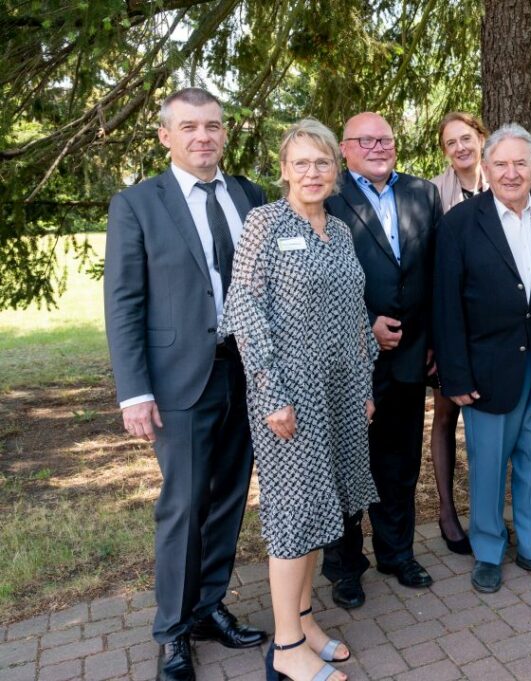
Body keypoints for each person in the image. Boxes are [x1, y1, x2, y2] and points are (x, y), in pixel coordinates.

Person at [104, 88, 267, 681]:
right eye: (191, 127)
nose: (204, 136)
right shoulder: (138, 204)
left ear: (225, 133)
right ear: (165, 136)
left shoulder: (249, 196)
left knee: (228, 498)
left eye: (214, 126)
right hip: (179, 382)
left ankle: (207, 607)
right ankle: (172, 634)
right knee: (183, 505)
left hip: (245, 373)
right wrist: (134, 391)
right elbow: (123, 302)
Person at [221, 119, 375, 681]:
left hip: (338, 392)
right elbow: (244, 307)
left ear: (337, 170)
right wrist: (269, 390)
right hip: (287, 395)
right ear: (283, 169)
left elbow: (357, 315)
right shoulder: (264, 223)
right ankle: (286, 648)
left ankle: (305, 621)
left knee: (321, 510)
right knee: (294, 513)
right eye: (301, 163)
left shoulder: (339, 230)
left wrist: (363, 385)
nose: (312, 173)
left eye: (322, 162)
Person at [433, 123, 531, 594]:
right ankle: (489, 549)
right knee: (489, 466)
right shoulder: (458, 222)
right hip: (487, 368)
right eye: (501, 164)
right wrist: (454, 374)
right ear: (486, 168)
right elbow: (447, 304)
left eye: (520, 163)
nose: (511, 173)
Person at [322, 113, 443, 608]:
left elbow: (435, 271)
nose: (377, 147)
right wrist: (364, 322)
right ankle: (345, 568)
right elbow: (320, 280)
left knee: (400, 462)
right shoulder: (326, 198)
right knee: (348, 464)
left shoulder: (422, 193)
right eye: (365, 140)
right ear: (345, 149)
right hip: (350, 357)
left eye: (385, 139)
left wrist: (433, 338)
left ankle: (397, 553)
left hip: (411, 354)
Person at [428, 112, 489, 555]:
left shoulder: (507, 178)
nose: (461, 148)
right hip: (450, 324)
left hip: (496, 328)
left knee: (490, 423)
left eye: (466, 138)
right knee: (446, 417)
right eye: (451, 143)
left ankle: (487, 514)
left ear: (481, 138)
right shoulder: (432, 193)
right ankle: (448, 512)